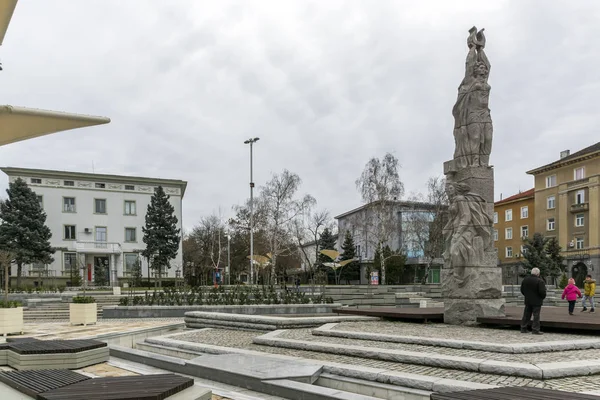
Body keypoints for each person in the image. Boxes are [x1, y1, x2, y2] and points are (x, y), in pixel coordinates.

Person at [520, 268, 546, 335]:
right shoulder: (540, 281)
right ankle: (535, 329)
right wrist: (541, 298)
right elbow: (542, 292)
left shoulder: (525, 280)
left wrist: (527, 295)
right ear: (538, 274)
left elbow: (522, 290)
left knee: (526, 315)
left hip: (528, 300)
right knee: (536, 316)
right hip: (537, 301)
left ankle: (523, 328)